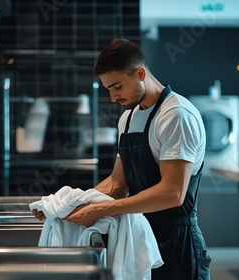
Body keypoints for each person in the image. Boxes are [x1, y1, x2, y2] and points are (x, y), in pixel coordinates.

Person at [32, 38, 211, 279]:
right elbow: (118, 184)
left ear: (139, 73)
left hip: (178, 244)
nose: (113, 97)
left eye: (117, 87)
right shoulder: (127, 119)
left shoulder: (176, 115)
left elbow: (173, 192)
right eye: (108, 89)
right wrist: (70, 207)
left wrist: (103, 208)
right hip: (140, 238)